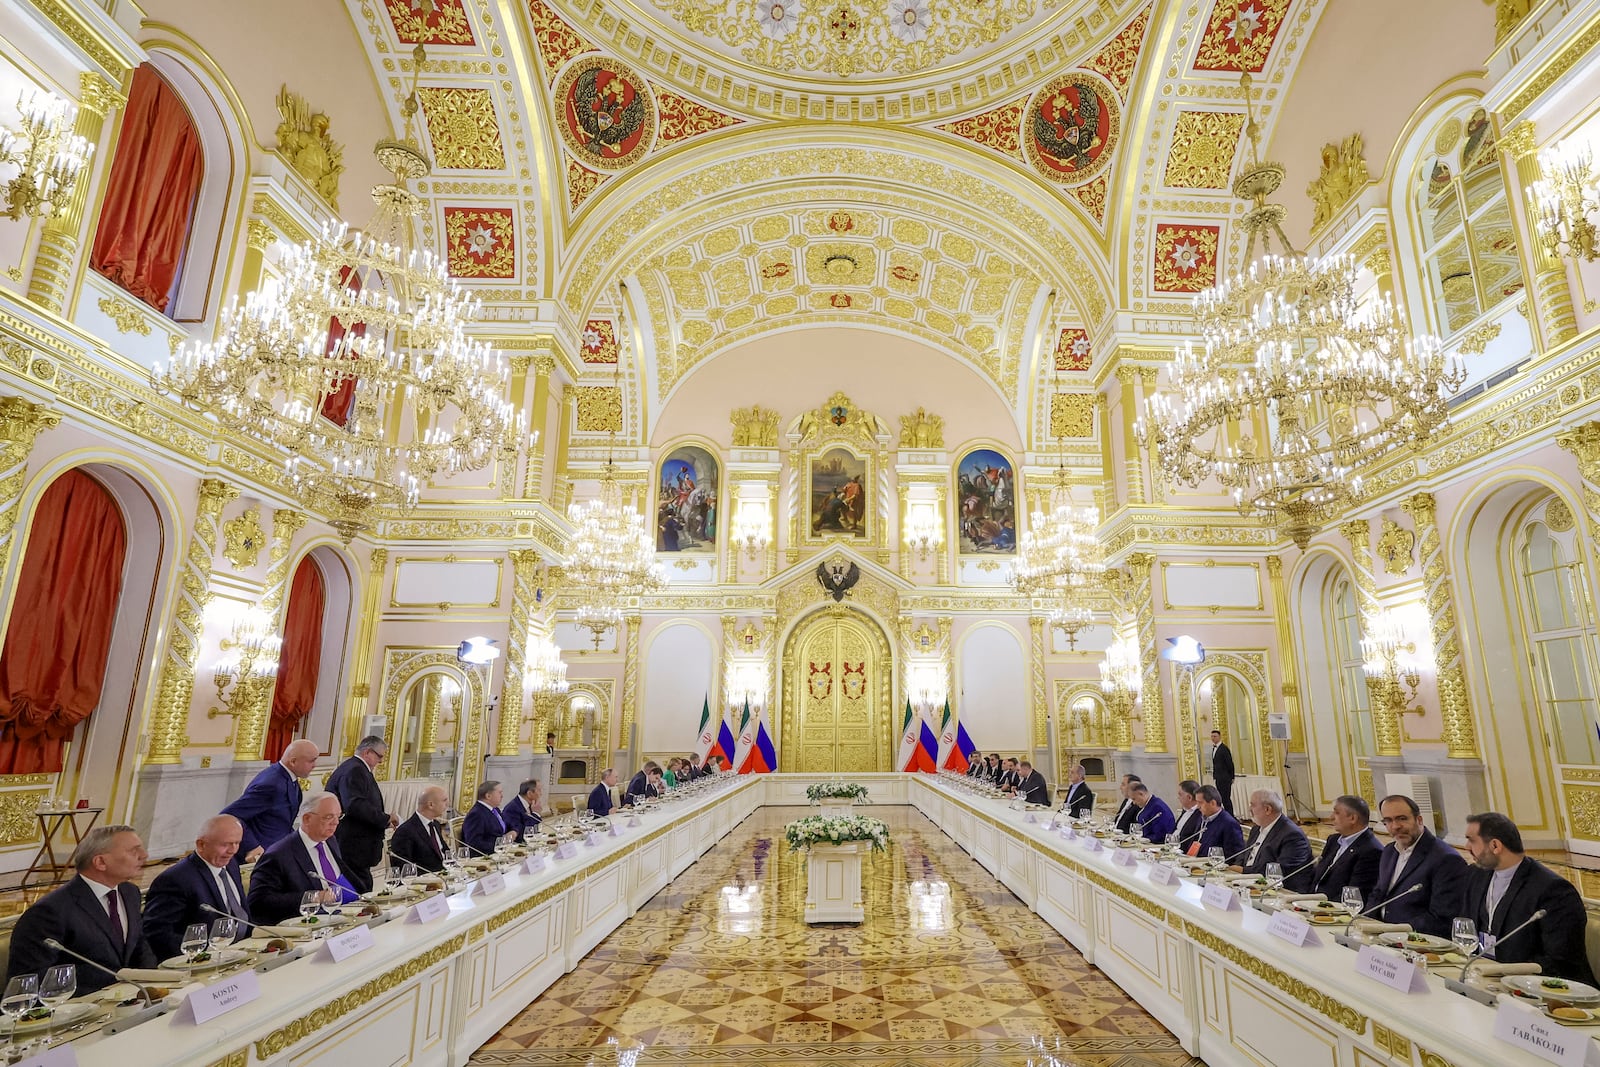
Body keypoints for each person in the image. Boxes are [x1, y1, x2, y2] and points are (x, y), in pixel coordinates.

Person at [8, 825, 157, 994]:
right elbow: (29, 981)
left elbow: (138, 944)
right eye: (133, 851)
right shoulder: (49, 912)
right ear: (100, 862)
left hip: (132, 997)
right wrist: (114, 981)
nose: (144, 856)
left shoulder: (129, 893)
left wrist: (152, 982)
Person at [1463, 811, 1594, 983]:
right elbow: (1464, 927)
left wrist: (1502, 972)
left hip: (1539, 989)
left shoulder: (1554, 891)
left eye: (1471, 840)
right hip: (1483, 976)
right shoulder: (1477, 875)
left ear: (1495, 846)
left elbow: (1561, 962)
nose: (1466, 846)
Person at [142, 814, 250, 959]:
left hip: (242, 951)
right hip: (202, 960)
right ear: (201, 844)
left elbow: (240, 912)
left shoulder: (230, 864)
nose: (233, 850)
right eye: (225, 844)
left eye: (237, 843)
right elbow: (158, 933)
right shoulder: (175, 879)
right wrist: (203, 956)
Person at [246, 791, 357, 924]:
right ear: (307, 819)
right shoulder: (278, 855)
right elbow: (258, 902)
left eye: (339, 816)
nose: (336, 823)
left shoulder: (330, 840)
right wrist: (313, 897)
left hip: (342, 916)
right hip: (304, 925)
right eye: (328, 817)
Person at [1374, 794, 1468, 937]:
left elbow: (1442, 918)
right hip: (1379, 934)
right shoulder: (1389, 851)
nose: (1395, 826)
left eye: (1402, 819)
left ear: (1419, 820)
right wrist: (1364, 923)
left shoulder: (1446, 859)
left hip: (1415, 941)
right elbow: (1377, 894)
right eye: (1388, 821)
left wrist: (1394, 932)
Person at [221, 738, 319, 861]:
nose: (315, 765)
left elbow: (284, 822)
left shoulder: (288, 778)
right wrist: (252, 846)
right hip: (262, 855)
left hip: (277, 850)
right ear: (293, 761)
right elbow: (229, 815)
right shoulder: (272, 784)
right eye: (311, 761)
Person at [324, 735, 397, 893]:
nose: (381, 761)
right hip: (353, 843)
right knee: (359, 891)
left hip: (358, 844)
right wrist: (385, 819)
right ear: (367, 752)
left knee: (364, 886)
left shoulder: (357, 768)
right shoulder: (355, 770)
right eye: (379, 756)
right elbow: (355, 805)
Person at [1231, 789, 1313, 890]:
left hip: (1280, 891)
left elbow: (1278, 871)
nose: (1249, 809)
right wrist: (1234, 870)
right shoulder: (1256, 828)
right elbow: (1243, 855)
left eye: (1252, 805)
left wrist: (1243, 871)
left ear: (1267, 809)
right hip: (1247, 883)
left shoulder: (1292, 835)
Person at [1310, 795, 1383, 902]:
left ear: (1353, 818)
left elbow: (1354, 896)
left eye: (1337, 813)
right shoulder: (1333, 840)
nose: (1331, 817)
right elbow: (1316, 878)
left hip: (1333, 911)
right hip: (1310, 903)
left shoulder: (1371, 850)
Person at [388, 785, 451, 873]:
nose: (447, 804)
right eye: (444, 800)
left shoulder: (435, 824)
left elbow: (445, 853)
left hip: (446, 876)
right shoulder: (405, 832)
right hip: (425, 882)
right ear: (431, 805)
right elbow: (404, 869)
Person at [1190, 785, 1245, 858]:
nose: (1198, 806)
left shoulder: (1229, 823)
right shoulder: (1202, 817)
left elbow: (1234, 855)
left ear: (1213, 803)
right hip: (1194, 862)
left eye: (1200, 803)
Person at [461, 780, 508, 856]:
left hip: (500, 853)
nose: (502, 796)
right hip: (486, 856)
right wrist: (499, 846)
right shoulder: (476, 814)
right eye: (499, 792)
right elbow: (474, 843)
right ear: (488, 796)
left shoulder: (495, 810)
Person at [1208, 730, 1236, 815]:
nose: (1213, 738)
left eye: (1215, 736)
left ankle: (1230, 815)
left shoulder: (1224, 749)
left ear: (1219, 737)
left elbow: (1229, 763)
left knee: (1225, 798)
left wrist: (1231, 777)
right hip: (1219, 777)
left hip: (1225, 778)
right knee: (1220, 797)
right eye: (1212, 736)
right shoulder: (1214, 748)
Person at [1171, 780, 1203, 852]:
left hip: (1182, 852)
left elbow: (1192, 841)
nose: (1178, 797)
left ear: (1189, 797)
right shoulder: (1185, 810)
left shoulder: (1199, 815)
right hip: (1172, 848)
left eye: (1180, 794)